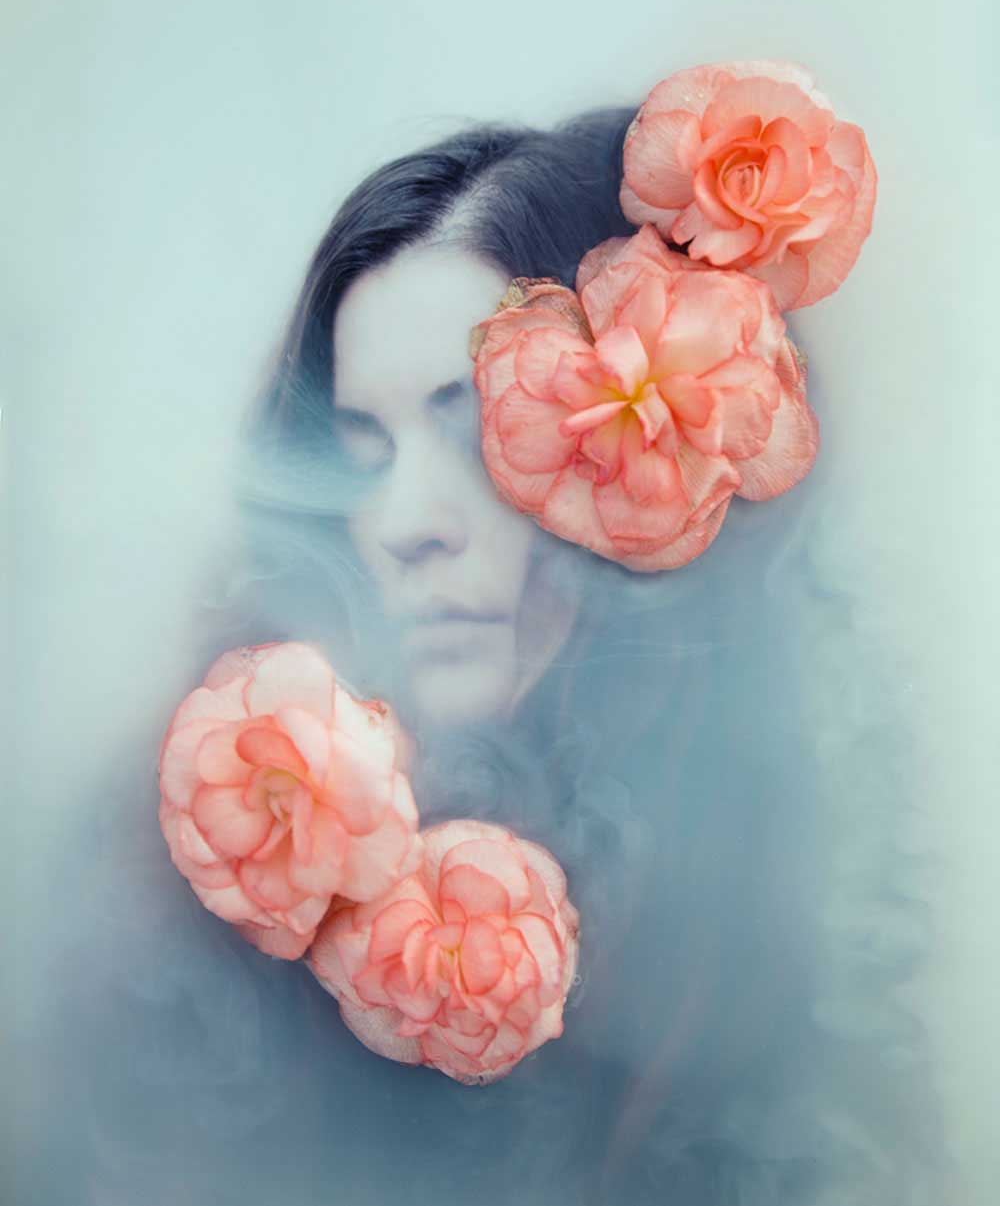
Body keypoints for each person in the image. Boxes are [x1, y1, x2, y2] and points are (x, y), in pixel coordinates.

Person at [51, 112, 948, 1206]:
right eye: (363, 449)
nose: (404, 522)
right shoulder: (195, 898)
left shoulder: (776, 897)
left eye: (477, 431)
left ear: (641, 461)